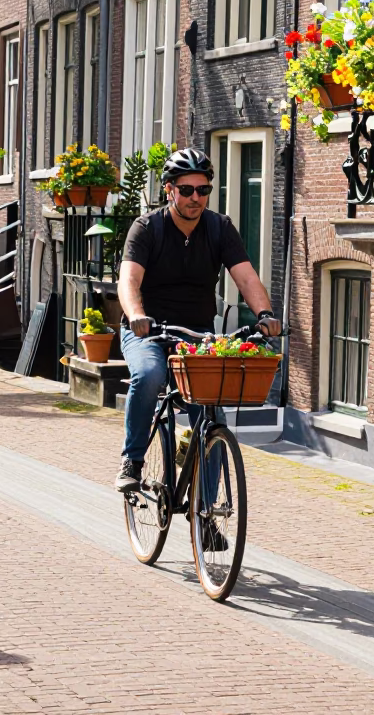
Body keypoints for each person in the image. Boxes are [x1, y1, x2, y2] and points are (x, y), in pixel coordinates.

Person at [114, 147, 281, 492]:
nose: (196, 198)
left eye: (203, 190)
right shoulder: (146, 229)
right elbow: (128, 281)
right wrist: (137, 315)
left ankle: (206, 512)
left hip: (197, 335)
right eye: (187, 190)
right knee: (148, 375)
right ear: (169, 189)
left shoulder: (219, 228)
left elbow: (247, 278)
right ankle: (132, 459)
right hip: (149, 330)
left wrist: (265, 314)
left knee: (211, 414)